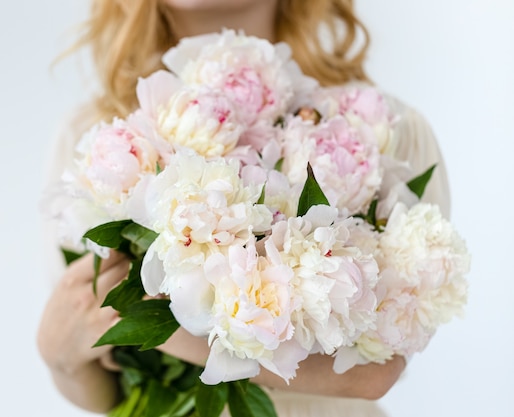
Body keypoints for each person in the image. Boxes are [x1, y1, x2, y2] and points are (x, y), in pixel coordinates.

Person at [37, 0, 451, 415]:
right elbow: (108, 391)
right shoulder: (95, 139)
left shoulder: (387, 129)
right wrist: (59, 356)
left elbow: (375, 372)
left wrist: (144, 318)